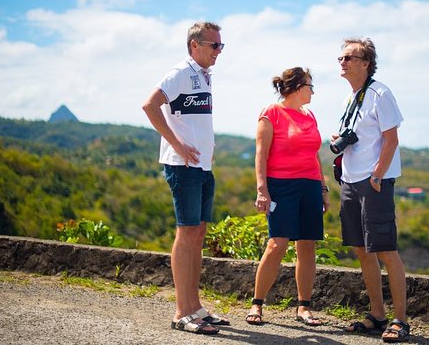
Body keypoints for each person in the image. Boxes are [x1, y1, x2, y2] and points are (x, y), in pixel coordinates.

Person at [141, 21, 228, 335]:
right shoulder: (180, 72)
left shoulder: (203, 76)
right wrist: (177, 145)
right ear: (195, 45)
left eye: (221, 45)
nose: (219, 51)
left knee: (198, 234)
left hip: (203, 167)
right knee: (186, 233)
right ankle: (182, 312)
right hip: (182, 167)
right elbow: (150, 105)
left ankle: (195, 307)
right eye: (214, 45)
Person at [333, 38, 410, 343]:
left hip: (374, 182)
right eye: (341, 57)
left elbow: (391, 139)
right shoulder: (349, 98)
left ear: (365, 63)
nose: (343, 62)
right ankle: (377, 315)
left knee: (385, 250)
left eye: (349, 58)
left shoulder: (381, 93)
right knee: (362, 250)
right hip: (350, 181)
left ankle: (401, 320)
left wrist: (378, 175)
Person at [246, 67, 330, 327]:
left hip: (310, 186)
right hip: (281, 185)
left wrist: (324, 189)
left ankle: (303, 307)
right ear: (295, 87)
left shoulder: (310, 115)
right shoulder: (271, 113)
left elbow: (315, 155)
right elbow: (261, 154)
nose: (313, 91)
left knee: (307, 246)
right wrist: (262, 189)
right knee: (277, 244)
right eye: (309, 86)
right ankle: (257, 304)